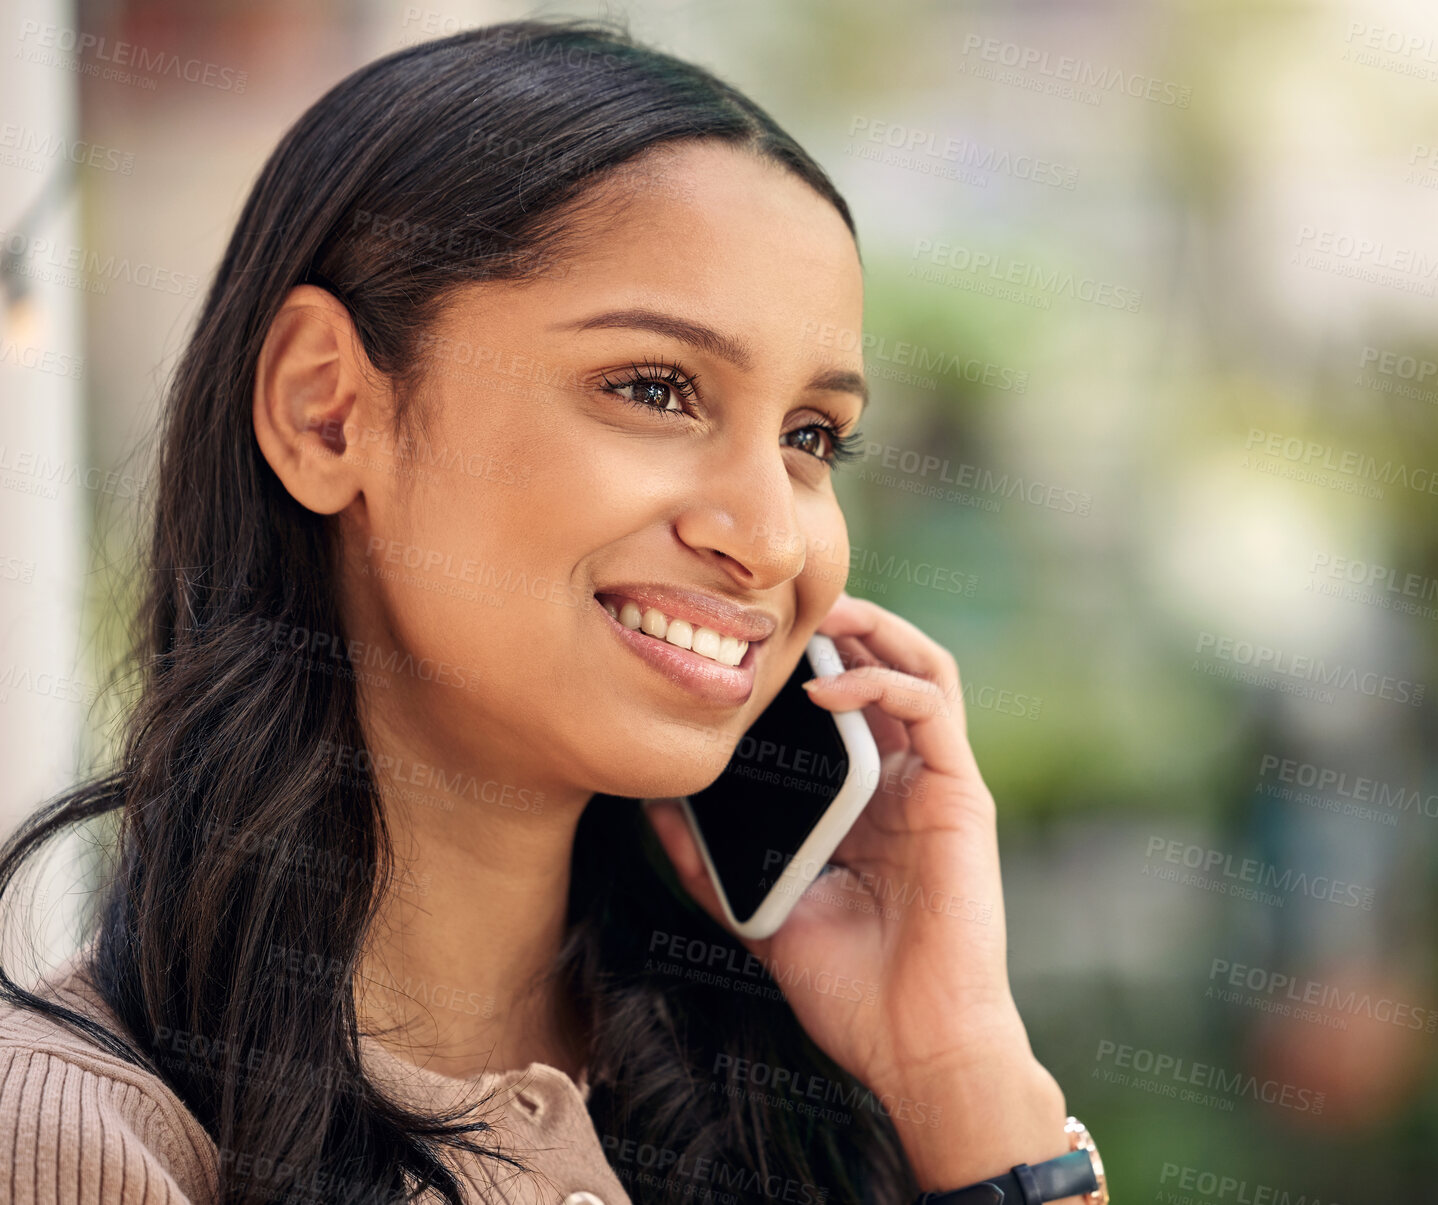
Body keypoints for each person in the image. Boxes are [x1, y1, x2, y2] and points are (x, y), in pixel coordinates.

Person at [0, 18, 1100, 1205]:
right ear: (329, 412)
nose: (772, 536)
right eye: (654, 388)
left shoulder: (805, 1096)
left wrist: (963, 1076)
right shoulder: (77, 1140)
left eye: (810, 436)